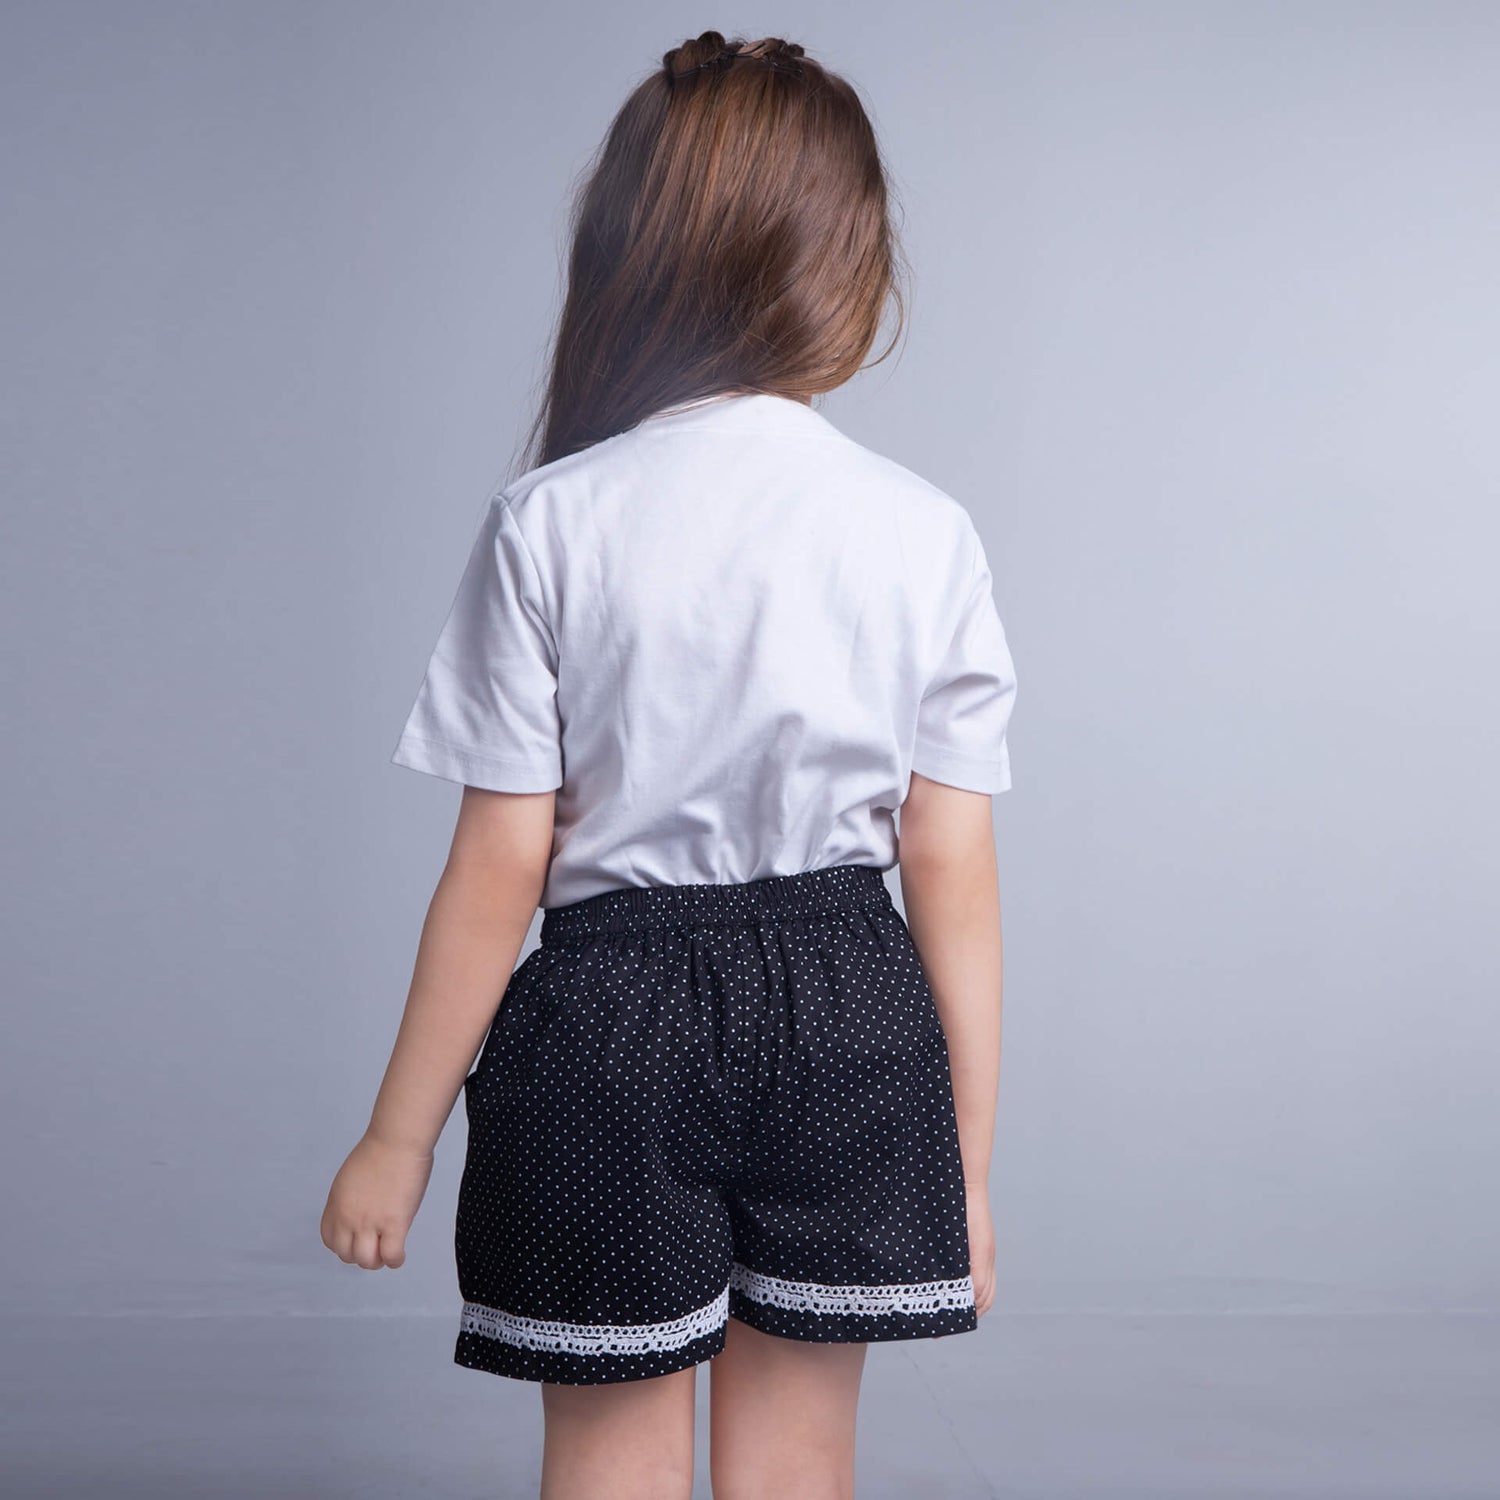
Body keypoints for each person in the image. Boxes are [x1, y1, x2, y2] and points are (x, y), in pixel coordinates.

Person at [320, 29, 1017, 1500]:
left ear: (629, 250)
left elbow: (501, 862)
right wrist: (962, 1157)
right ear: (851, 257)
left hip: (605, 1029)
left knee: (610, 1456)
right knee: (799, 1461)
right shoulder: (921, 529)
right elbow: (951, 860)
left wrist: (397, 1137)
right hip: (854, 1014)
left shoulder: (553, 520)